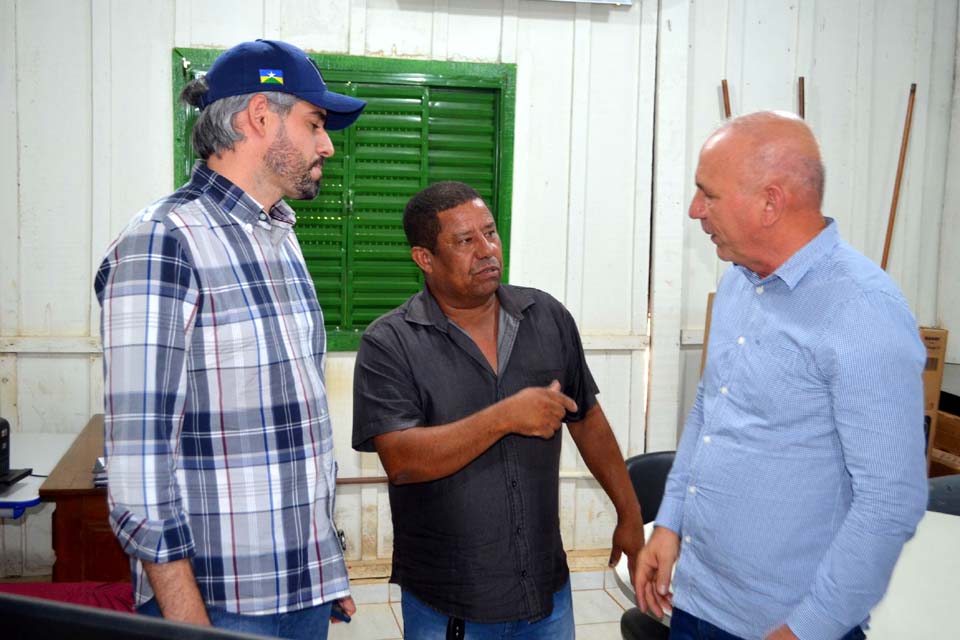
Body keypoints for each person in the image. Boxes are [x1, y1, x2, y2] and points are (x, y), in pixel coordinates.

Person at [94, 39, 366, 640]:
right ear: (259, 117)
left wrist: (326, 567)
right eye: (315, 122)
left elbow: (291, 430)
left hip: (298, 587)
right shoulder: (164, 241)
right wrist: (187, 620)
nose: (327, 143)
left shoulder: (279, 237)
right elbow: (137, 461)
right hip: (217, 604)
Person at [636, 111, 928, 640]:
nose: (694, 210)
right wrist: (670, 521)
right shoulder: (738, 284)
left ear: (771, 201)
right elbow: (710, 409)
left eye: (709, 195)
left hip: (784, 626)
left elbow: (889, 502)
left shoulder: (864, 311)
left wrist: (808, 629)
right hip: (697, 599)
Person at [352, 181, 646, 639]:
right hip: (451, 603)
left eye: (490, 233)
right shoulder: (391, 343)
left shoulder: (545, 316)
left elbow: (587, 419)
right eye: (465, 241)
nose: (487, 250)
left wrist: (629, 514)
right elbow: (402, 461)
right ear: (424, 259)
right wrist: (506, 417)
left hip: (546, 595)